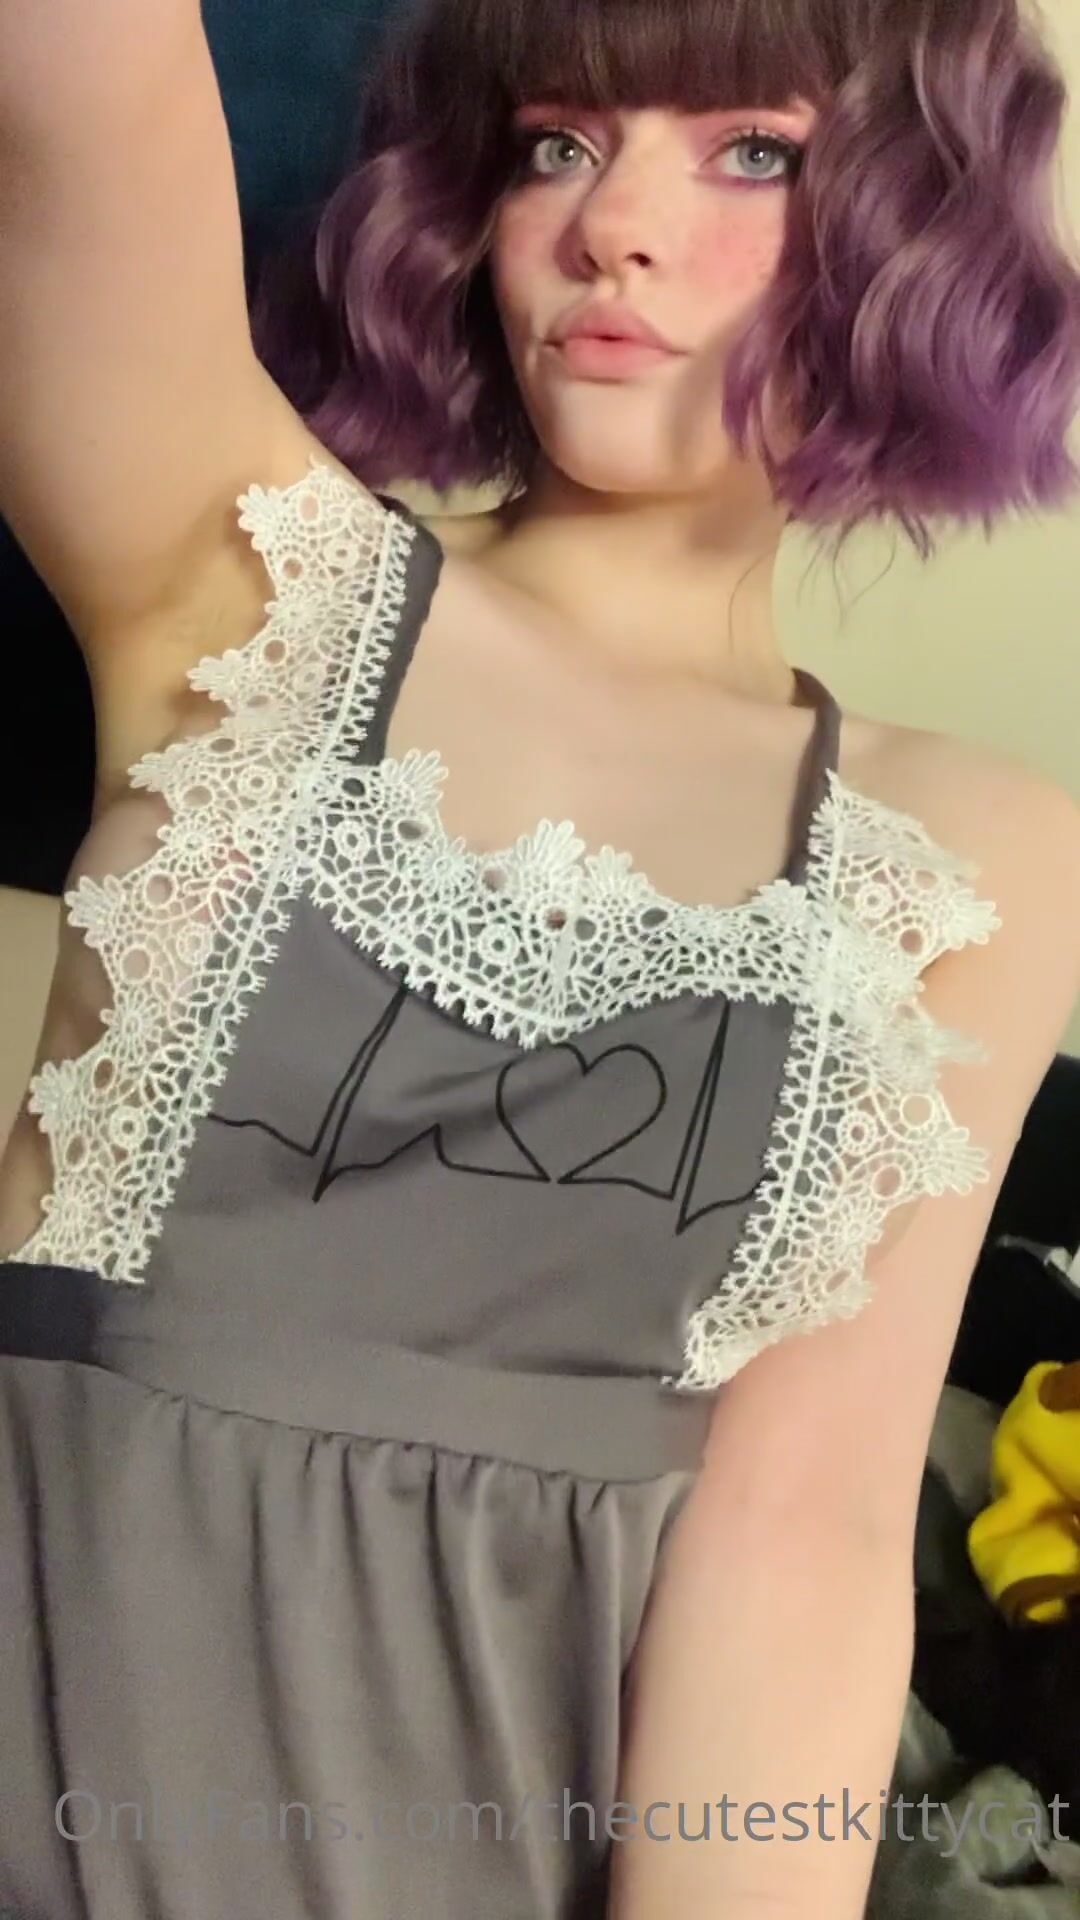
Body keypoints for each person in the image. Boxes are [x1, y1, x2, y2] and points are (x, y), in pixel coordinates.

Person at [1, 0, 1079, 1914]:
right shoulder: (243, 584)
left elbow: (808, 1550)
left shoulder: (973, 850)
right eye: (557, 145)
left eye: (753, 151)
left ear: (918, 231)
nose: (611, 228)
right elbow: (78, 82)